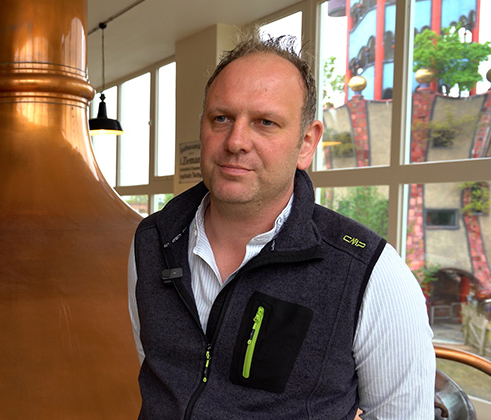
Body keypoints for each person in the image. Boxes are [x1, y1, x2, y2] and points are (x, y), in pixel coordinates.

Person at [127, 29, 435, 419]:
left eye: (265, 122)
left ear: (306, 142)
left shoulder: (370, 273)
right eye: (221, 118)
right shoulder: (153, 242)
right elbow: (157, 369)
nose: (236, 141)